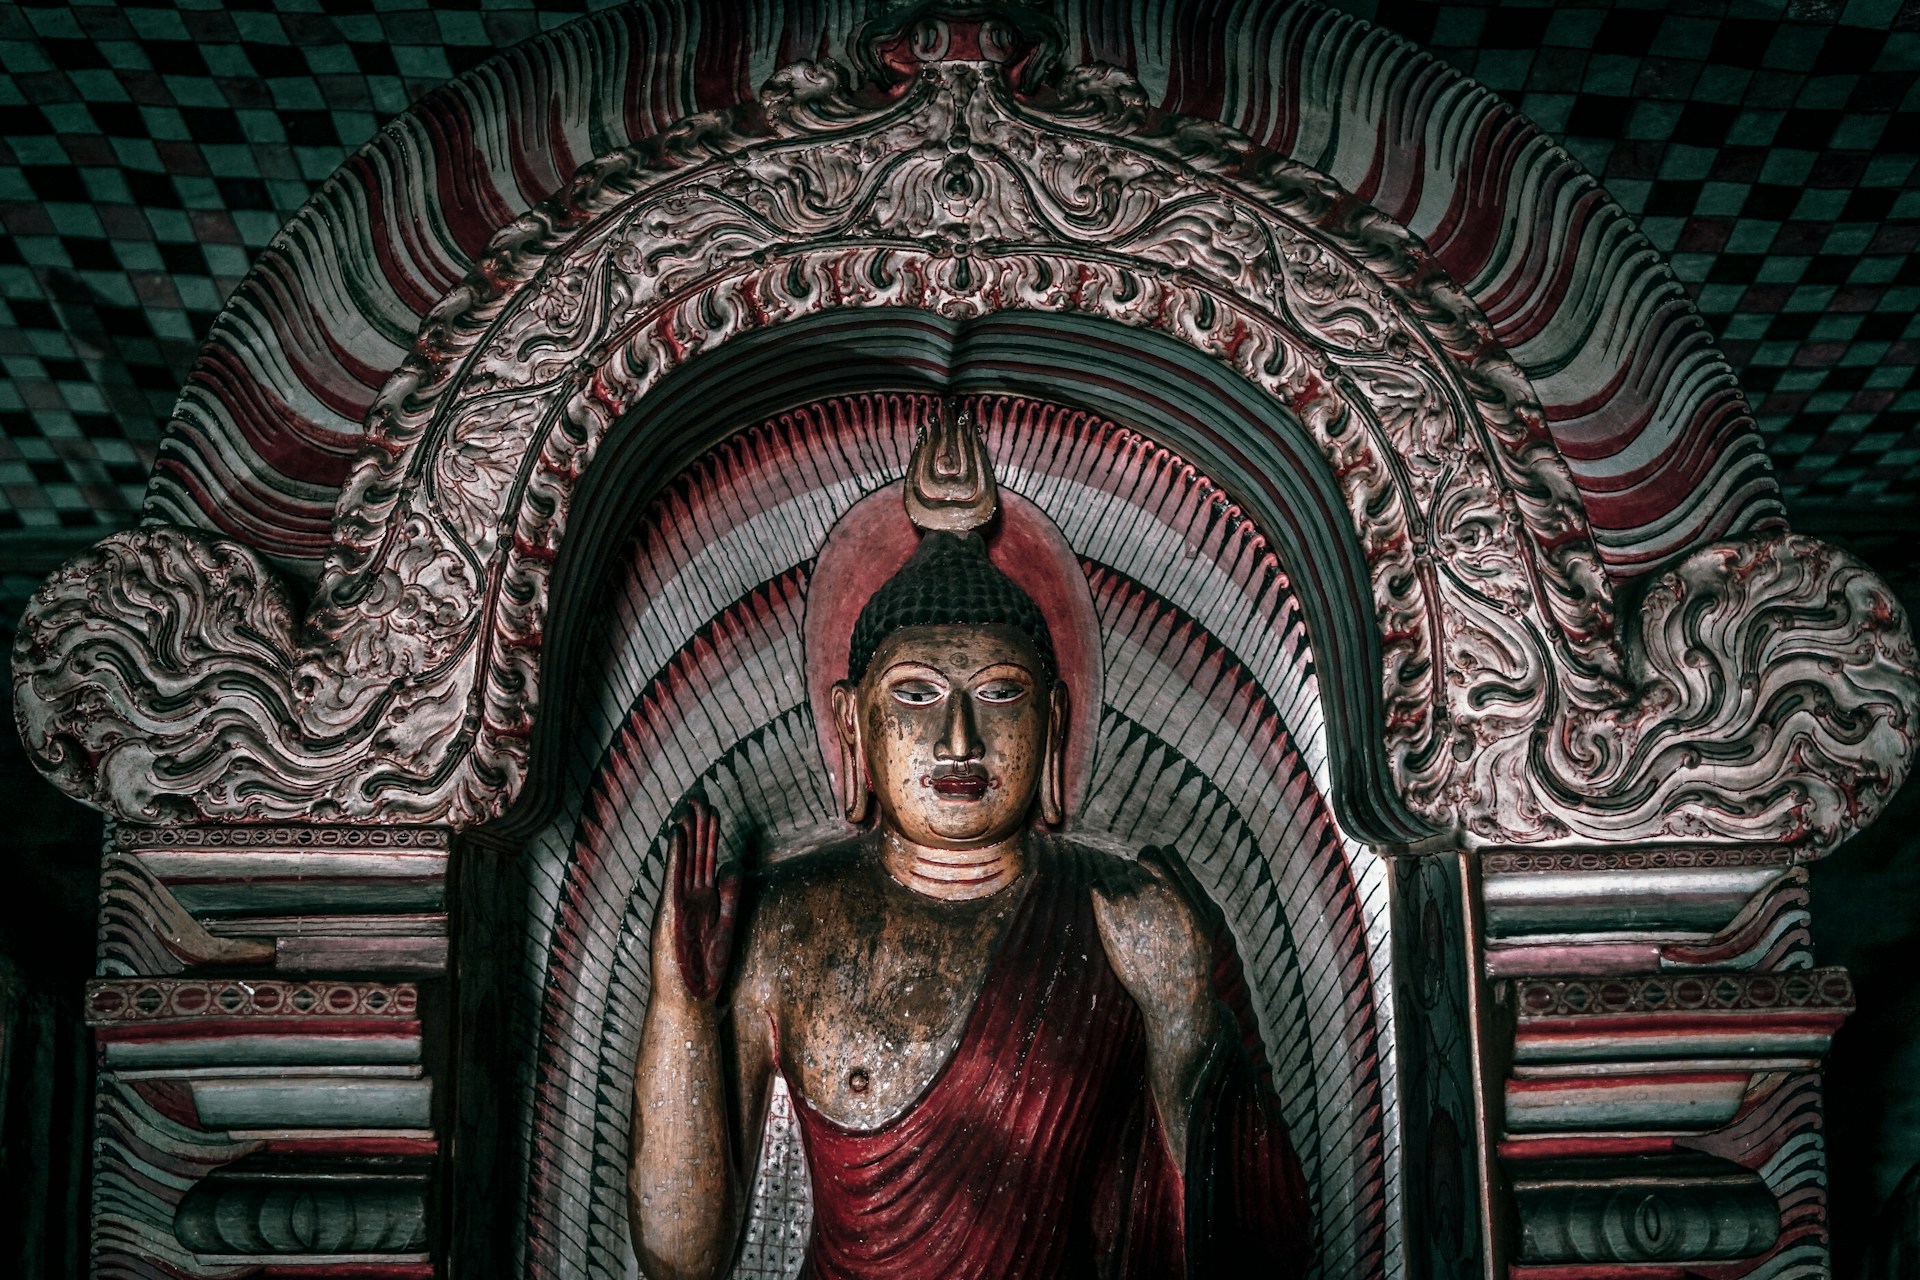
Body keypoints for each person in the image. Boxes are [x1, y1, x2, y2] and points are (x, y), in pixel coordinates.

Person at [628, 410, 1310, 1280]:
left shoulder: (1133, 913)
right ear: (853, 724)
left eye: (999, 694)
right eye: (915, 696)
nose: (958, 740)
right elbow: (681, 1259)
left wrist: (1181, 1017)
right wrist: (681, 1009)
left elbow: (1262, 1253)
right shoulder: (785, 922)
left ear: (1054, 721)